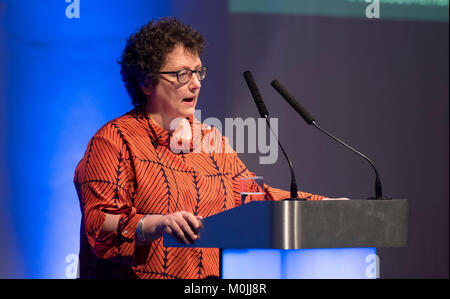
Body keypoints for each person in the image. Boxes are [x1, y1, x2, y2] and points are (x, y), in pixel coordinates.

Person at [74, 17, 332, 279]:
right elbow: (100, 222)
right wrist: (156, 223)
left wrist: (326, 207)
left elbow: (256, 196)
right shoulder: (115, 140)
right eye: (182, 74)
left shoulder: (211, 140)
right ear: (146, 82)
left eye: (198, 72)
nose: (196, 83)